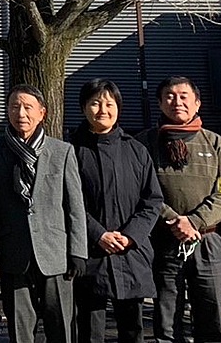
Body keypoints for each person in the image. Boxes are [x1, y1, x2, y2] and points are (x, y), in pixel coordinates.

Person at [0, 85, 87, 343]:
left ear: (42, 113)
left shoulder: (62, 151)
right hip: (12, 250)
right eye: (15, 106)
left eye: (28, 107)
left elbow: (75, 206)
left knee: (61, 326)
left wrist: (78, 251)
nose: (21, 113)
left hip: (55, 253)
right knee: (20, 327)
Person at [137, 76, 221, 343]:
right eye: (169, 96)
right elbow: (142, 191)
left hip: (209, 240)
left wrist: (194, 221)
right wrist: (173, 221)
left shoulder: (217, 144)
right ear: (159, 103)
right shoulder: (144, 144)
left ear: (197, 103)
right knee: (167, 318)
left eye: (183, 96)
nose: (176, 101)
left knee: (211, 315)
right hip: (164, 241)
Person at [69, 79, 162, 343]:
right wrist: (98, 234)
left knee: (133, 329)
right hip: (90, 253)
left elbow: (152, 200)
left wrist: (130, 235)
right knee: (89, 329)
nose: (102, 110)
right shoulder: (71, 151)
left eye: (109, 104)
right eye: (95, 103)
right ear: (84, 107)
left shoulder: (136, 150)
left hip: (131, 253)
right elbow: (68, 202)